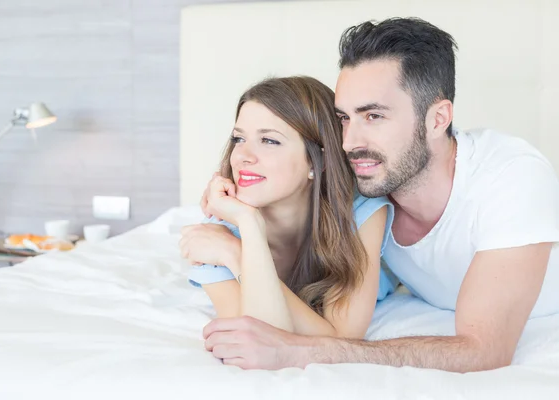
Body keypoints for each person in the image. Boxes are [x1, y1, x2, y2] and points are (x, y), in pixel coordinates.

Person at [197, 18, 559, 372]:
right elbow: (292, 174)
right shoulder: (367, 178)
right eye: (344, 118)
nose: (350, 142)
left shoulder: (510, 177)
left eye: (374, 116)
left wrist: (300, 352)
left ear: (438, 118)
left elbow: (484, 351)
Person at [179, 76, 399, 342]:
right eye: (238, 139)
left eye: (269, 141)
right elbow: (260, 338)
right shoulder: (219, 236)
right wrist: (248, 225)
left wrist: (237, 255)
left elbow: (344, 339)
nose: (243, 156)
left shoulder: (361, 211)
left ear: (318, 160)